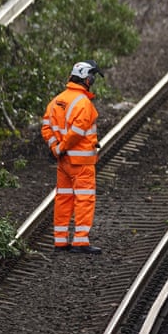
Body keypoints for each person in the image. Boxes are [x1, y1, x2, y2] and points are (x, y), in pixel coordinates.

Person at [42, 60, 105, 254]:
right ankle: (80, 241)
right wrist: (62, 146)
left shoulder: (57, 100)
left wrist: (55, 148)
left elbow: (46, 126)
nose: (92, 81)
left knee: (63, 199)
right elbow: (77, 131)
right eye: (91, 78)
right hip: (81, 162)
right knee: (84, 200)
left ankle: (60, 241)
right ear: (87, 78)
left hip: (64, 163)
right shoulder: (83, 103)